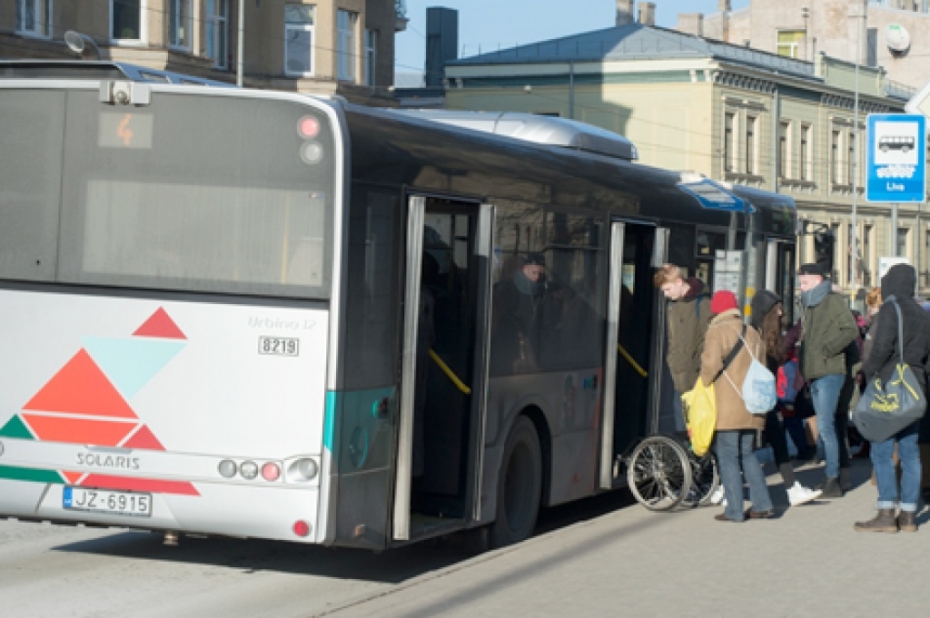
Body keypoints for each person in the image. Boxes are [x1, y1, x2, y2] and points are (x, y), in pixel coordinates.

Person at [854, 264, 930, 533]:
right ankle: (909, 515)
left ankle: (886, 512)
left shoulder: (890, 310)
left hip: (889, 388)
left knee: (882, 450)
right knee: (910, 453)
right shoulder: (923, 314)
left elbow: (881, 348)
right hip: (914, 391)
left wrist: (867, 372)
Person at [702, 290, 775, 522]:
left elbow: (711, 364)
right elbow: (762, 364)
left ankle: (734, 509)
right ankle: (763, 504)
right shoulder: (752, 332)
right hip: (752, 403)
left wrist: (703, 381)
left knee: (728, 456)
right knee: (748, 453)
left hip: (728, 405)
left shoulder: (717, 331)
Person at [750, 290, 821, 506]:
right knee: (743, 447)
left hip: (765, 398)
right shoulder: (754, 335)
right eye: (777, 308)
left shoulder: (773, 337)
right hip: (752, 398)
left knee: (778, 442)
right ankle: (728, 489)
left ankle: (792, 487)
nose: (781, 312)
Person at [797, 262, 859, 498]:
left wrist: (828, 350)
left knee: (825, 426)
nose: (801, 287)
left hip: (830, 371)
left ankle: (832, 479)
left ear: (817, 280)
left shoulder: (832, 301)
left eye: (804, 283)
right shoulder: (809, 304)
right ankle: (833, 478)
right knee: (828, 425)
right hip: (814, 373)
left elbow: (850, 329)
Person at [653, 264, 712, 416]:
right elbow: (673, 341)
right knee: (682, 431)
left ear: (679, 282)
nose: (666, 295)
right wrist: (672, 361)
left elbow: (712, 341)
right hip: (678, 380)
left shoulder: (703, 304)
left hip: (697, 381)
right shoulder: (672, 307)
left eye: (668, 289)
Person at [491, 252, 552, 373]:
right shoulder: (507, 290)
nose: (537, 277)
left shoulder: (545, 291)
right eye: (534, 273)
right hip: (508, 347)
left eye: (540, 273)